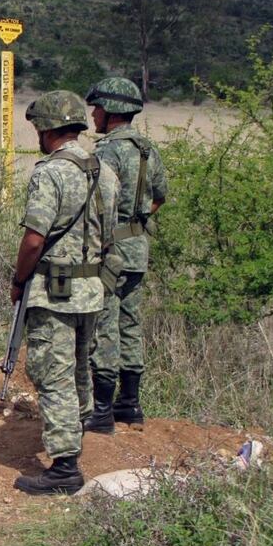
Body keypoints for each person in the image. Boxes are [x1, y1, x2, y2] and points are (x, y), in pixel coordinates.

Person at [10, 90, 118, 495]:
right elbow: (111, 235)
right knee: (77, 369)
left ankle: (65, 466)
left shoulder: (50, 172)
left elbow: (34, 239)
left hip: (54, 290)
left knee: (52, 373)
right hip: (91, 287)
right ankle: (78, 434)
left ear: (49, 128)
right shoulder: (103, 172)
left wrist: (19, 281)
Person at [82, 77, 168, 434]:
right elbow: (159, 196)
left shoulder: (107, 152)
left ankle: (101, 411)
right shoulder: (148, 149)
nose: (93, 114)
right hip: (138, 248)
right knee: (131, 324)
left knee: (105, 325)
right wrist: (137, 223)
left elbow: (95, 203)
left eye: (98, 107)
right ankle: (129, 404)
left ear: (112, 111)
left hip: (112, 250)